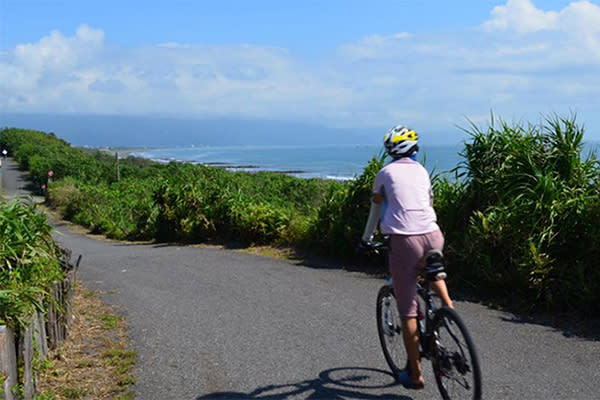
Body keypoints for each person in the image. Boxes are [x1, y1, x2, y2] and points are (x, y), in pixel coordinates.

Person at [361, 125, 453, 390]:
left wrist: (366, 239)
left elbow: (375, 210)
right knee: (433, 271)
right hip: (434, 234)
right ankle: (448, 311)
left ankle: (415, 375)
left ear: (390, 149)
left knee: (408, 310)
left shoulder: (385, 173)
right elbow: (429, 203)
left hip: (404, 241)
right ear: (414, 148)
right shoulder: (422, 171)